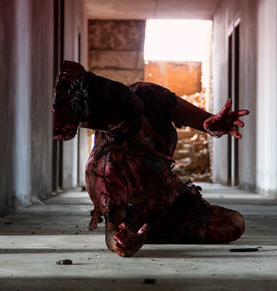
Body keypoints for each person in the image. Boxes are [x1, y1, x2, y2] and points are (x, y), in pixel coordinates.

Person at [52, 61, 249, 257]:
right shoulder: (106, 169)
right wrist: (121, 243)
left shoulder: (147, 94)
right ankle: (150, 234)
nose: (144, 134)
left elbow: (202, 121)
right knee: (232, 224)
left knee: (233, 222)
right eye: (131, 128)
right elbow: (113, 229)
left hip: (173, 193)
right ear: (113, 130)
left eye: (137, 115)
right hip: (146, 219)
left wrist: (212, 126)